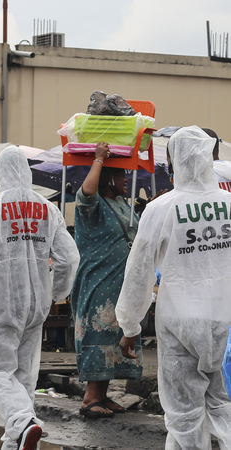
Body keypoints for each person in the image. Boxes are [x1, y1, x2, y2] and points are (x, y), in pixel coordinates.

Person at [116, 126, 231, 449]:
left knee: (183, 412)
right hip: (224, 319)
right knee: (222, 404)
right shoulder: (229, 203)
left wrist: (130, 325)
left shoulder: (161, 209)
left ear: (173, 163)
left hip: (179, 319)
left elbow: (138, 272)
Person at [0, 147, 79, 450]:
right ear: (26, 172)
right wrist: (57, 293)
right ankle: (18, 441)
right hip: (37, 303)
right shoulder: (47, 208)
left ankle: (24, 422)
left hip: (1, 303)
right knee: (24, 376)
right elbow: (69, 259)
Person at [70, 142, 143, 418]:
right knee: (100, 332)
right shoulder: (93, 203)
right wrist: (99, 159)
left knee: (116, 335)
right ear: (109, 178)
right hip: (99, 282)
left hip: (120, 283)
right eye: (122, 174)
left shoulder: (122, 204)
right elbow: (87, 192)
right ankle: (90, 398)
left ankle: (103, 394)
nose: (127, 179)